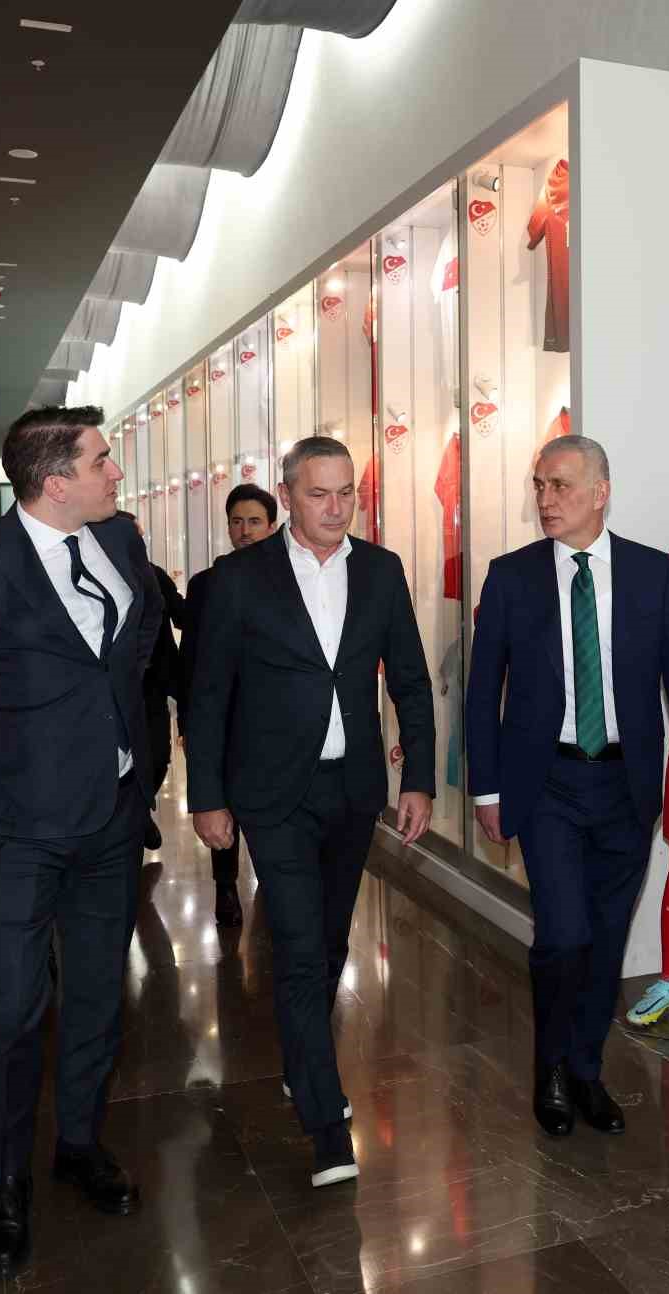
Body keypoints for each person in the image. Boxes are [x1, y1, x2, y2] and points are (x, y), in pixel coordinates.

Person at [0, 407, 159, 1277]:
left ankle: (79, 1143)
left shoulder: (119, 541)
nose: (115, 473)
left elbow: (135, 646)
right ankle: (6, 1183)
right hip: (11, 832)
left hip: (110, 819)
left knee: (97, 994)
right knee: (12, 1010)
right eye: (101, 461)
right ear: (55, 482)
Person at [186, 436, 434, 1187]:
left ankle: (303, 1062)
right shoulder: (238, 578)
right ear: (288, 494)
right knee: (297, 945)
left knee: (328, 943)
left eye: (346, 493)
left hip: (352, 789)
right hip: (273, 793)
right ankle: (326, 1125)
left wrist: (419, 780)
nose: (335, 507)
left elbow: (411, 680)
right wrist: (207, 797)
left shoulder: (381, 571)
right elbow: (208, 694)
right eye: (319, 493)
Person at [466, 434, 669, 1138]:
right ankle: (549, 1067)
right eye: (539, 485)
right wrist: (486, 789)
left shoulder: (651, 573)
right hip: (545, 782)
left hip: (625, 784)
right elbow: (483, 692)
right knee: (563, 935)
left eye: (561, 486)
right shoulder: (511, 577)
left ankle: (585, 1068)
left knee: (606, 939)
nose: (546, 499)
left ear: (600, 492)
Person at [178, 483, 279, 926]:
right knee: (221, 803)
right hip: (220, 717)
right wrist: (187, 722)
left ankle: (274, 879)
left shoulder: (287, 581)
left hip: (271, 720)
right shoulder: (206, 585)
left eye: (254, 521)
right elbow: (191, 660)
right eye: (237, 522)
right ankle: (225, 887)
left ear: (272, 525)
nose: (245, 530)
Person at [122, 511, 184, 853]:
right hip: (117, 689)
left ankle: (141, 806)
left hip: (154, 684)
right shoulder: (100, 577)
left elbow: (182, 614)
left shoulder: (154, 575)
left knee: (159, 754)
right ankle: (135, 813)